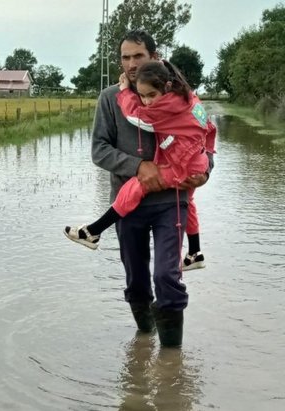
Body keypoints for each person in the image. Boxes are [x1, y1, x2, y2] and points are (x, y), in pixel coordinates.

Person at [74, 30, 213, 347]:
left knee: (167, 275)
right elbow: (99, 150)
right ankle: (144, 341)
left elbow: (203, 137)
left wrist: (205, 172)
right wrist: (138, 166)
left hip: (171, 201)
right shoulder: (110, 98)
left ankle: (171, 358)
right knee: (136, 281)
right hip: (128, 205)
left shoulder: (183, 97)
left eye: (138, 56)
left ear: (155, 57)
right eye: (125, 58)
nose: (132, 64)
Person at [64, 60, 216, 273]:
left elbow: (136, 117)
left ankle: (94, 231)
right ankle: (195, 252)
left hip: (183, 166)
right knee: (189, 202)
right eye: (142, 96)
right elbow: (210, 129)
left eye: (151, 95)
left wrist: (125, 91)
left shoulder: (167, 107)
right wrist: (205, 164)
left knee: (137, 185)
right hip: (194, 162)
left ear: (167, 86)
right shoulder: (189, 98)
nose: (146, 102)